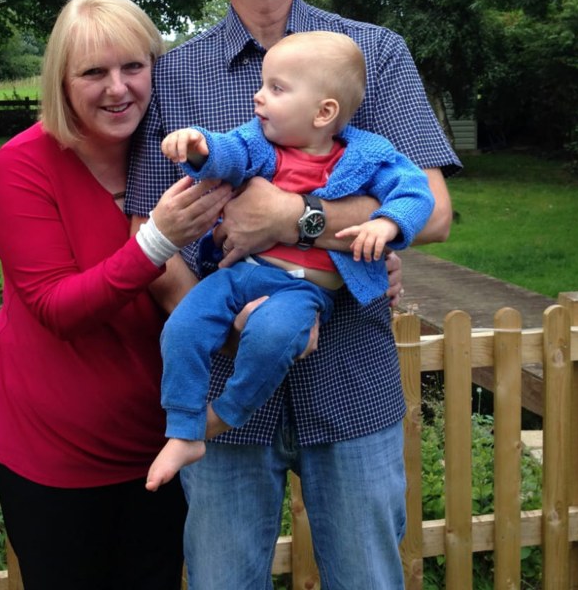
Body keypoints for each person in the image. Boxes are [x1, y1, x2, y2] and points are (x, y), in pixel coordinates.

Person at [127, 0, 462, 590]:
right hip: (224, 403)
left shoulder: (370, 56)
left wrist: (294, 217)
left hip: (351, 378)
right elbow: (148, 237)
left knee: (369, 579)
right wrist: (245, 317)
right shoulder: (172, 75)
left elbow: (432, 208)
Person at [0, 0, 233, 589]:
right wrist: (156, 242)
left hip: (158, 440)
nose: (118, 88)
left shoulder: (178, 156)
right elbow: (57, 308)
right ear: (62, 81)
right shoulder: (25, 163)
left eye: (133, 67)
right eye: (94, 72)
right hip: (52, 453)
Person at [146, 30, 435, 491]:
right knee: (181, 329)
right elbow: (229, 153)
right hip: (240, 272)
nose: (258, 97)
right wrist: (200, 146)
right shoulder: (259, 141)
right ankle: (183, 427)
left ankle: (222, 415)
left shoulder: (368, 154)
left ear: (324, 112)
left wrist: (388, 225)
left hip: (303, 289)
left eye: (276, 89)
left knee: (272, 337)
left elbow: (416, 192)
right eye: (263, 85)